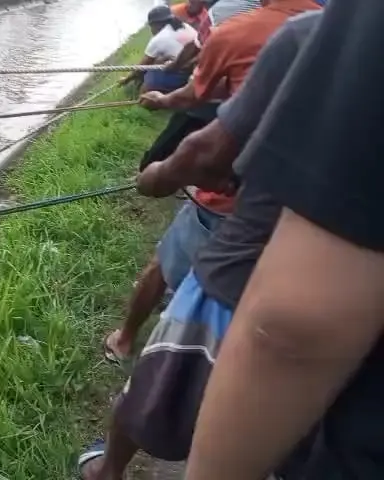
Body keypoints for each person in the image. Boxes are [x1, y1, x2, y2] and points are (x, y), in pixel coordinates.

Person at [79, 7, 323, 480]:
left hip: (240, 224)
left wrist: (155, 177)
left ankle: (112, 454)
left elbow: (203, 135)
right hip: (331, 261)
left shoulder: (290, 35)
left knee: (167, 341)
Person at [183, 0, 384, 478]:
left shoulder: (300, 34)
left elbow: (296, 328)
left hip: (241, 254)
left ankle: (116, 448)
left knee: (168, 269)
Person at [103, 0, 321, 363]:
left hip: (238, 203)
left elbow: (205, 138)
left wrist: (157, 177)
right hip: (319, 220)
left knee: (162, 264)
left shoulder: (249, 31)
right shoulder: (349, 36)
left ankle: (126, 339)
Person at [119, 5, 199, 93]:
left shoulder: (159, 39)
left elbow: (141, 67)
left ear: (156, 24)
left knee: (144, 91)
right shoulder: (183, 25)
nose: (151, 30)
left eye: (151, 26)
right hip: (196, 64)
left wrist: (126, 80)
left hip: (187, 72)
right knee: (158, 60)